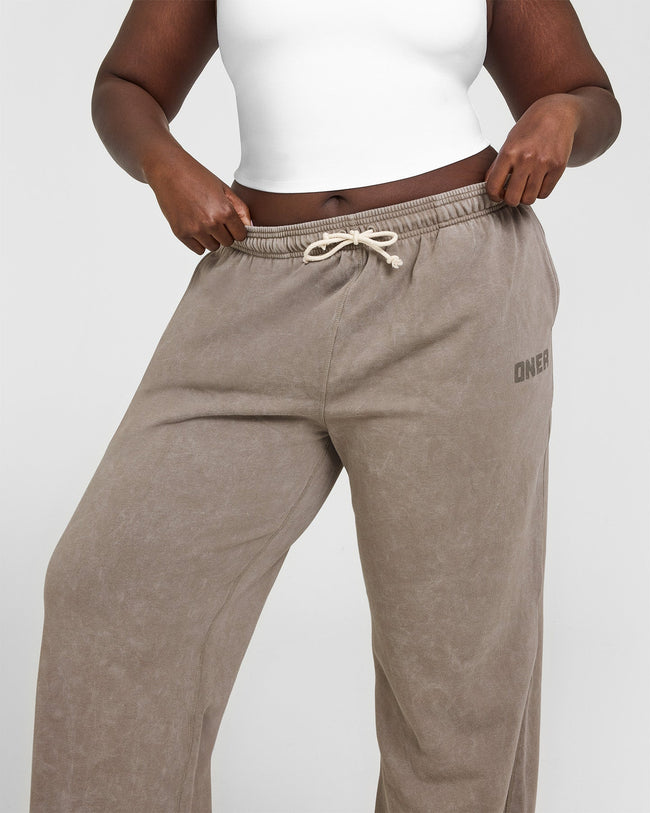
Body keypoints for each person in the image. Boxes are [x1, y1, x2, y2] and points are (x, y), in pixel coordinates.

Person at [29, 1, 621, 811]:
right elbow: (126, 84)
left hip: (455, 285)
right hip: (253, 284)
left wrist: (562, 117)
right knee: (105, 588)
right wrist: (164, 164)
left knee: (455, 670)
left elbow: (587, 93)